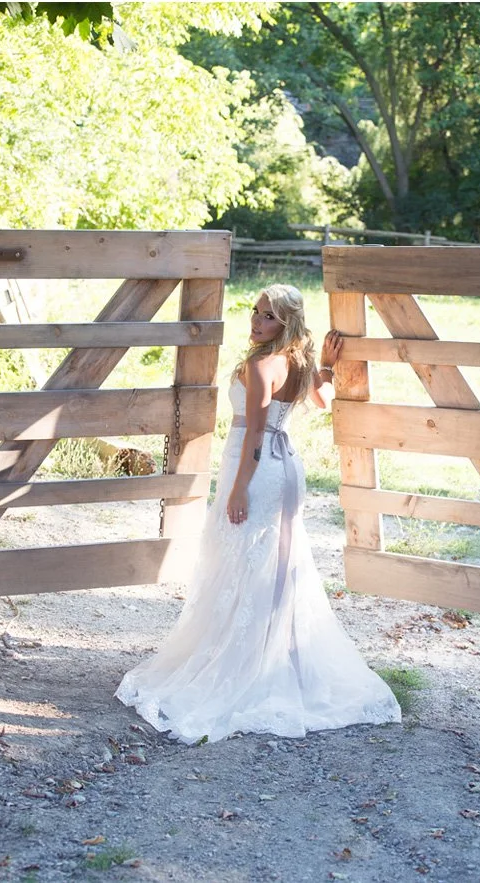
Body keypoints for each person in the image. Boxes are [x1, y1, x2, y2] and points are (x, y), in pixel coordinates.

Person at [116, 284, 401, 743]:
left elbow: (253, 436)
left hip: (257, 470)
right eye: (255, 311)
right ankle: (273, 655)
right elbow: (322, 398)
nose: (255, 321)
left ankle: (245, 663)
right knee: (278, 562)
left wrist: (239, 490)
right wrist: (328, 366)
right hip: (287, 469)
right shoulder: (301, 363)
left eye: (267, 316)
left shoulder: (259, 365)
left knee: (242, 561)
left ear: (284, 323)